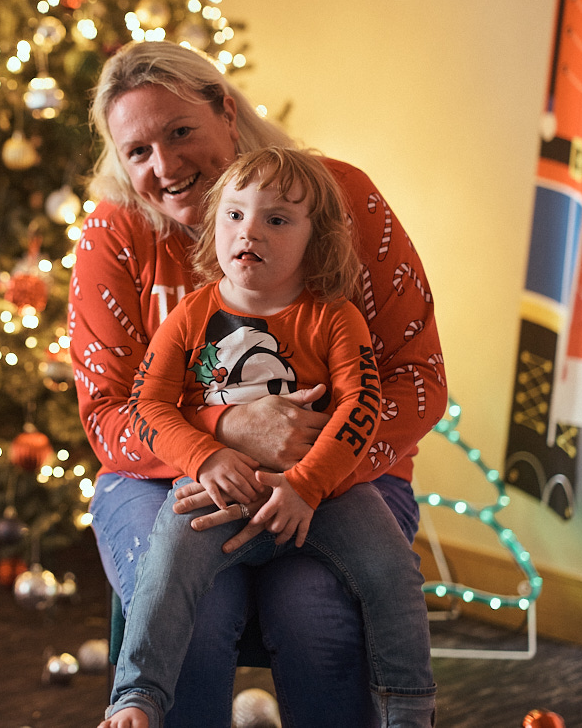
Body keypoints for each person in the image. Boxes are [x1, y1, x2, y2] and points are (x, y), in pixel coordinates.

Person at [69, 41, 446, 727]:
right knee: (198, 618)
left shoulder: (337, 198)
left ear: (226, 109)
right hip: (161, 477)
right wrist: (221, 434)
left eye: (180, 132)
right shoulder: (115, 235)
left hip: (343, 476)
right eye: (138, 152)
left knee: (318, 619)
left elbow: (418, 382)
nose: (166, 167)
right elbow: (108, 416)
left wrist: (311, 468)